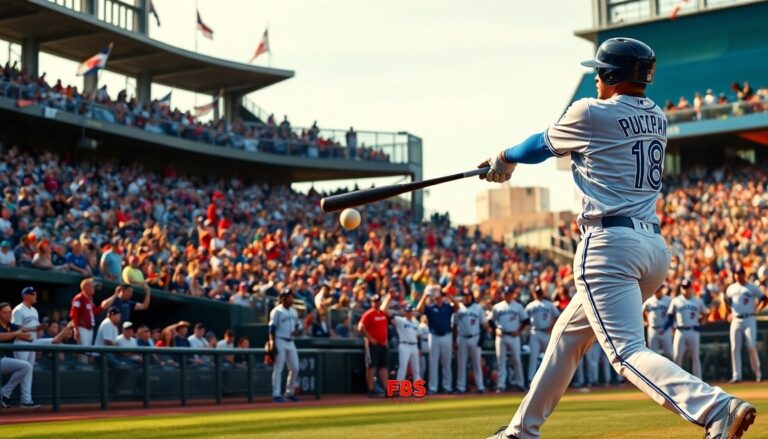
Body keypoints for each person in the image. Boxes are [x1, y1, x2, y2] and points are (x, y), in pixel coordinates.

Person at [483, 38, 748, 439]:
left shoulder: (591, 112)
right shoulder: (656, 115)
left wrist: (504, 158)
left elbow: (541, 145)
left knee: (626, 353)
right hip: (651, 250)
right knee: (566, 337)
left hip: (608, 245)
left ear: (611, 74)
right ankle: (521, 431)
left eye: (599, 71)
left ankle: (716, 407)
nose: (595, 79)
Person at [725, 267, 767, 383]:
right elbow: (726, 300)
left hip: (749, 318)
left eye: (740, 273)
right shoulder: (731, 288)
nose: (738, 276)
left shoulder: (752, 287)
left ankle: (758, 373)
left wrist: (758, 309)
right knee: (734, 348)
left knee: (751, 345)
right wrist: (729, 313)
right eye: (736, 274)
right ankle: (736, 376)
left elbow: (764, 299)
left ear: (744, 274)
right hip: (736, 319)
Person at [416, 284, 456, 395]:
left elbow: (457, 307)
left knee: (447, 363)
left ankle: (447, 387)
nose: (437, 295)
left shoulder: (447, 306)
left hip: (447, 336)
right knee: (433, 363)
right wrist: (425, 295)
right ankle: (433, 388)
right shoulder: (430, 308)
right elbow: (419, 309)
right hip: (434, 336)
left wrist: (447, 295)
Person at [11, 286, 46, 408]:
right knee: (22, 370)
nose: (35, 296)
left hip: (32, 344)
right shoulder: (18, 310)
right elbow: (16, 329)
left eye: (35, 294)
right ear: (26, 296)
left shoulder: (34, 310)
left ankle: (26, 400)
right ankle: (6, 393)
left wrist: (39, 333)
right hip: (21, 344)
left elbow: (35, 329)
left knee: (28, 372)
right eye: (33, 294)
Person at [668, 279, 708, 379]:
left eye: (687, 287)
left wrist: (702, 322)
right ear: (681, 288)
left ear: (691, 288)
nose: (685, 289)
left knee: (695, 356)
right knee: (677, 356)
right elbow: (670, 315)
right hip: (680, 330)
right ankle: (677, 379)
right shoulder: (676, 300)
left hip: (693, 330)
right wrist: (672, 327)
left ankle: (699, 379)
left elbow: (705, 313)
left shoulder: (697, 301)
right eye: (683, 287)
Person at [490, 286, 527, 393]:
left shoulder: (518, 306)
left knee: (517, 360)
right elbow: (491, 321)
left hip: (514, 336)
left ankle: (520, 384)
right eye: (506, 293)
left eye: (509, 293)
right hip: (501, 336)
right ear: (503, 294)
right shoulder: (497, 307)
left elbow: (525, 320)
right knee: (501, 361)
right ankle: (501, 385)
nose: (508, 295)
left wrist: (519, 331)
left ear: (512, 294)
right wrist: (495, 329)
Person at [0, 301, 35, 409]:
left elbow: (29, 338)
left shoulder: (12, 325)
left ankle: (4, 393)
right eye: (5, 312)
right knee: (26, 366)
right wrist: (16, 334)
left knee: (26, 366)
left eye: (10, 312)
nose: (9, 314)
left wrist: (22, 331)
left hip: (6, 360)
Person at [269, 289, 301, 403]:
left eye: (291, 297)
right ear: (282, 298)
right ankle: (276, 394)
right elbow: (272, 328)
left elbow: (298, 326)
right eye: (288, 297)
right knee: (278, 368)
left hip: (291, 341)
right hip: (279, 340)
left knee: (295, 368)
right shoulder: (277, 311)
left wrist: (297, 331)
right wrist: (272, 343)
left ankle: (289, 392)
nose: (291, 299)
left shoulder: (293, 311)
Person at [523, 286, 560, 384]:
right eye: (536, 293)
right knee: (533, 357)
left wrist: (551, 327)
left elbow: (557, 316)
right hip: (535, 332)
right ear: (534, 293)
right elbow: (524, 319)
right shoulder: (530, 305)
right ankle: (530, 380)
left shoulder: (549, 304)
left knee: (550, 356)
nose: (538, 294)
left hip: (546, 333)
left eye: (539, 292)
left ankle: (553, 379)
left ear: (542, 293)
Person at [453, 291, 487, 393]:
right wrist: (454, 340)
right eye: (465, 296)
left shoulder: (478, 307)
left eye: (468, 296)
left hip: (475, 337)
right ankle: (461, 387)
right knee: (461, 364)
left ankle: (480, 386)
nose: (467, 298)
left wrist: (482, 339)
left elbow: (484, 325)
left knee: (477, 363)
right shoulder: (458, 308)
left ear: (471, 296)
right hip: (462, 338)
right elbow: (454, 325)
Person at [358, 293, 391, 398]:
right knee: (372, 367)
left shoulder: (382, 313)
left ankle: (387, 390)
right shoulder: (368, 314)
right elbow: (360, 327)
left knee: (384, 367)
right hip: (373, 345)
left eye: (377, 301)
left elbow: (384, 328)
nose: (376, 303)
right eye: (374, 301)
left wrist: (385, 340)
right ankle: (371, 389)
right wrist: (370, 338)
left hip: (383, 344)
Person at [70, 278, 116, 349]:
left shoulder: (90, 299)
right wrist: (76, 329)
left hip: (89, 329)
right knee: (83, 351)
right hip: (82, 328)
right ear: (85, 287)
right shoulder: (79, 298)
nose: (94, 288)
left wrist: (101, 307)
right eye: (92, 286)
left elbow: (94, 312)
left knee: (88, 351)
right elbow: (74, 314)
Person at [643, 285, 673, 359]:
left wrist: (668, 326)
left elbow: (673, 314)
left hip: (665, 329)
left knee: (669, 353)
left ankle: (668, 370)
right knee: (652, 354)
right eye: (656, 289)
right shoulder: (649, 300)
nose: (658, 291)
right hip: (653, 329)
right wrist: (645, 320)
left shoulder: (669, 300)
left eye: (659, 289)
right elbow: (642, 311)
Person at [392, 303, 420, 382]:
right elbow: (388, 314)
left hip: (414, 346)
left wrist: (419, 348)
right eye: (407, 311)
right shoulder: (400, 320)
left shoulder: (416, 322)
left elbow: (418, 336)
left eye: (410, 311)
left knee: (416, 369)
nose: (409, 313)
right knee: (402, 368)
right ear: (405, 312)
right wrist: (399, 311)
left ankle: (418, 390)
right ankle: (399, 388)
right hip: (404, 345)